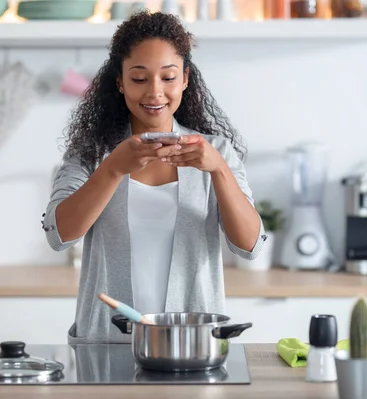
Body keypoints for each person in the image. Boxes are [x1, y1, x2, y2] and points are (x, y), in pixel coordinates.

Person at [42, 11, 267, 344]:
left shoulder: (215, 150)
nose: (155, 92)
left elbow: (250, 247)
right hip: (107, 340)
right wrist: (113, 168)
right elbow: (59, 236)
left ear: (185, 79)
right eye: (139, 78)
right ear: (119, 81)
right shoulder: (92, 151)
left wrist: (219, 169)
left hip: (193, 342)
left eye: (168, 77)